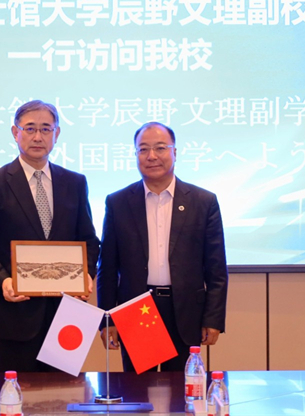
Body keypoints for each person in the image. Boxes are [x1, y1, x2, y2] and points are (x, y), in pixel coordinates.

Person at [0, 100, 100, 372]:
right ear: (16, 132)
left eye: (46, 129)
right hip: (15, 318)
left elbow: (89, 240)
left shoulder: (75, 182)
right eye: (30, 128)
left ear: (56, 134)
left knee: (64, 394)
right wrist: (2, 282)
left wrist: (86, 273)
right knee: (14, 393)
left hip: (66, 320)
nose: (38, 136)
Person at [96, 121, 228, 371]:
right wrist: (107, 319)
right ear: (135, 154)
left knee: (182, 386)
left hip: (184, 310)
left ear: (174, 152)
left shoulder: (203, 201)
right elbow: (108, 268)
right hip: (137, 309)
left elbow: (216, 268)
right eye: (143, 149)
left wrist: (213, 318)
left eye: (160, 148)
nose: (152, 156)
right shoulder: (118, 202)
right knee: (138, 388)